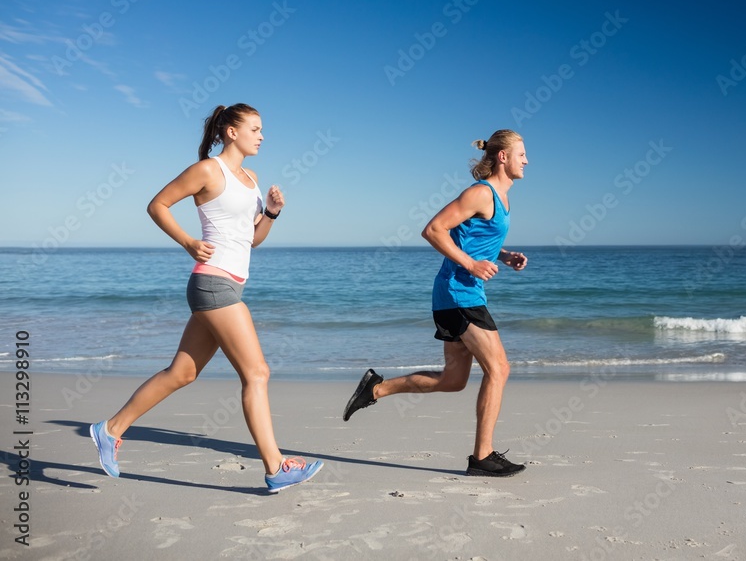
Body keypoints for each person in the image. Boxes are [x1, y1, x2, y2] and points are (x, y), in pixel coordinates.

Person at [90, 103, 323, 493]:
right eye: (255, 128)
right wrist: (187, 242)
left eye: (262, 129)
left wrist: (271, 213)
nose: (262, 136)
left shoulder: (250, 178)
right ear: (232, 132)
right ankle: (276, 466)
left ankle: (110, 429)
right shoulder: (206, 170)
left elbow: (252, 240)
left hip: (230, 281)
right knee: (257, 372)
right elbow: (157, 205)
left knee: (182, 373)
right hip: (212, 283)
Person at [343, 129, 529, 477]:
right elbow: (433, 230)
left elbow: (471, 236)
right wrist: (471, 265)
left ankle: (375, 388)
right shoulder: (480, 193)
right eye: (521, 154)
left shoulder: (501, 199)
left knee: (453, 380)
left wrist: (502, 255)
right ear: (502, 156)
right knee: (499, 368)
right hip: (459, 293)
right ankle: (482, 457)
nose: (526, 160)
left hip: (459, 293)